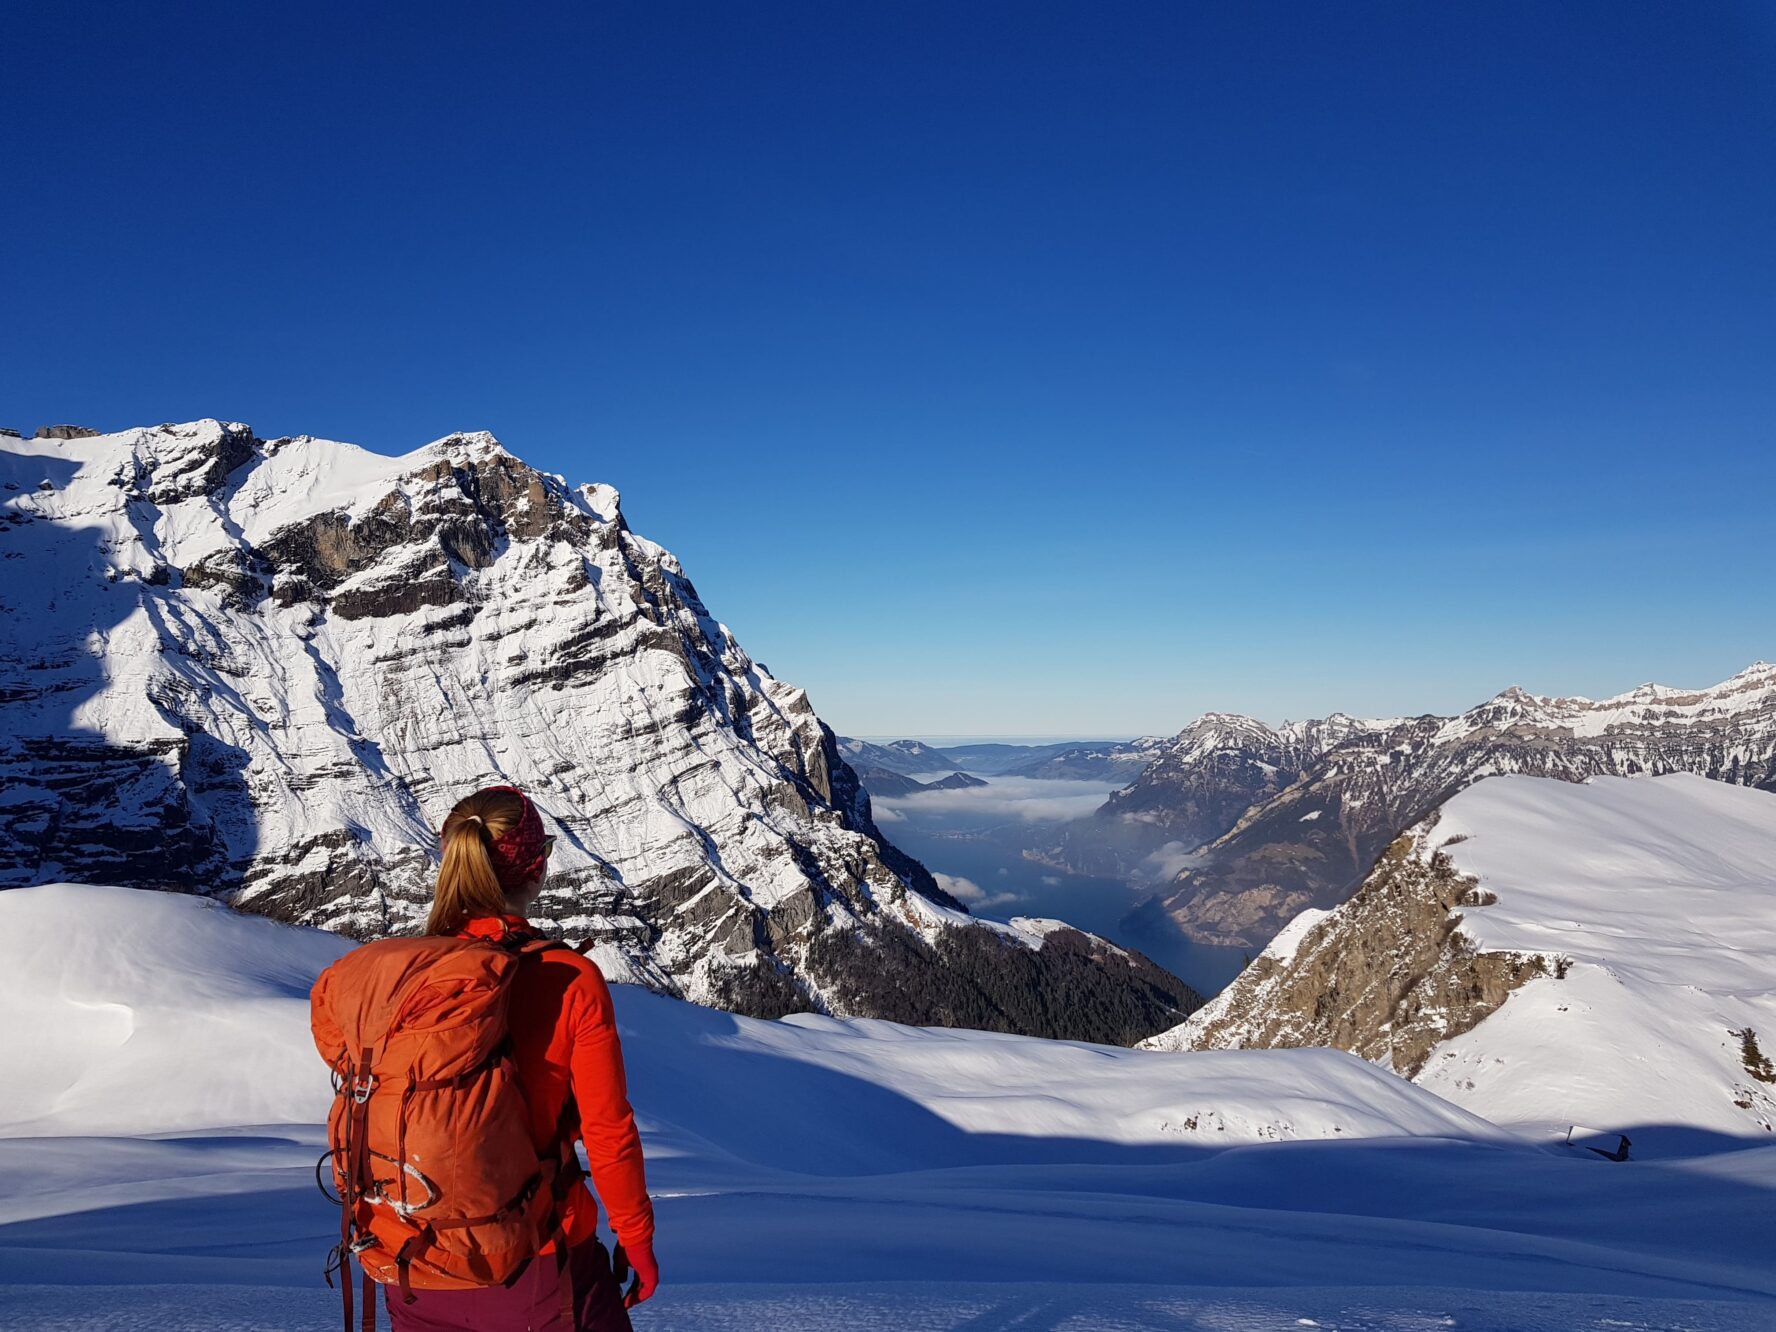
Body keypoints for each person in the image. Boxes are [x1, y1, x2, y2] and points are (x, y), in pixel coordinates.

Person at [388, 784, 659, 1331]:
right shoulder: (566, 980)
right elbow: (607, 1133)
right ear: (536, 868)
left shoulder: (403, 975)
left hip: (412, 1262)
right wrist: (636, 1239)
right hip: (538, 1266)